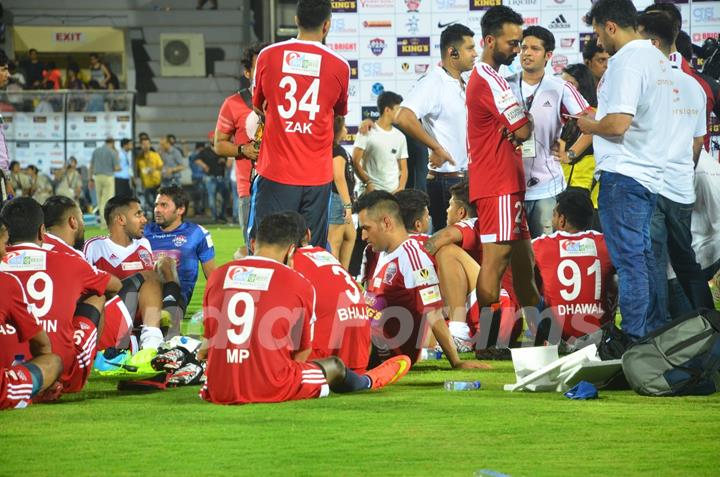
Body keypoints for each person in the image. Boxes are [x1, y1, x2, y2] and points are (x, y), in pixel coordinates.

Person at [198, 211, 411, 405]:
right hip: (270, 385)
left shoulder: (218, 275)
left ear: (252, 244)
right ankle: (366, 382)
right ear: (292, 250)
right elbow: (302, 352)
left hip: (218, 387)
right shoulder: (297, 282)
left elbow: (206, 349)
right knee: (334, 366)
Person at [577, 0, 673, 339]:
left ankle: (635, 340)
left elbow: (617, 125)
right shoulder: (657, 58)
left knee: (631, 264)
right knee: (645, 261)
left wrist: (589, 124)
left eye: (599, 33)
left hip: (625, 175)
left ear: (611, 26)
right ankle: (651, 337)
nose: (599, 42)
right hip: (647, 174)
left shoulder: (626, 61)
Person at [250, 0, 350, 248]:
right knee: (310, 250)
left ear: (296, 20)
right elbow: (338, 112)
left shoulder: (268, 55)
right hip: (316, 176)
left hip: (276, 171)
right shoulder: (340, 65)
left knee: (268, 247)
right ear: (326, 25)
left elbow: (257, 105)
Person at [637, 12, 714, 325]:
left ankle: (659, 328)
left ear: (653, 43)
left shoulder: (644, 84)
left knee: (654, 262)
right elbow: (698, 142)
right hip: (681, 188)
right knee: (686, 260)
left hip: (653, 186)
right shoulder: (693, 85)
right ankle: (709, 324)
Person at [0, 198, 122, 395]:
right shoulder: (69, 261)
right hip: (62, 371)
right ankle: (82, 371)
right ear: (42, 232)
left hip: (7, 371)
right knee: (96, 295)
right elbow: (115, 286)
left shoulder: (3, 266)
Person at [357, 190, 489, 370]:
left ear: (387, 223)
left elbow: (433, 311)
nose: (363, 236)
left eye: (366, 228)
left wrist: (456, 362)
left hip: (380, 348)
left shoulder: (412, 256)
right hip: (365, 336)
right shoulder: (379, 254)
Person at [466, 5, 540, 324]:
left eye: (520, 42)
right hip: (498, 186)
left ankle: (547, 338)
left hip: (507, 185)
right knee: (495, 265)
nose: (517, 49)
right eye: (512, 43)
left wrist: (524, 123)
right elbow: (522, 129)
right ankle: (489, 340)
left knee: (525, 269)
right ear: (489, 41)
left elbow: (519, 128)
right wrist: (528, 122)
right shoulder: (488, 79)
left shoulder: (494, 78)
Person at [506, 26, 592, 237]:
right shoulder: (505, 85)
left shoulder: (560, 87)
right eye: (524, 47)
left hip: (547, 188)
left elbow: (591, 123)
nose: (526, 53)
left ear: (548, 55)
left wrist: (570, 154)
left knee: (544, 255)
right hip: (509, 188)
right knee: (512, 258)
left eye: (534, 48)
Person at [532, 188, 616, 343]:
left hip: (558, 338)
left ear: (562, 220)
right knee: (615, 278)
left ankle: (542, 337)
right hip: (597, 337)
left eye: (554, 215)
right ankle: (607, 332)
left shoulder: (540, 245)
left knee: (529, 280)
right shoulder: (607, 243)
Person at [290, 212, 371, 373]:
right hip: (359, 357)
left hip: (323, 361)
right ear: (308, 234)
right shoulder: (325, 255)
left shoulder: (293, 263)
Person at [83, 196, 165, 351]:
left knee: (163, 267)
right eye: (138, 215)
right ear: (120, 219)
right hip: (110, 319)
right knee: (149, 276)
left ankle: (152, 339)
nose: (144, 220)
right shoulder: (95, 246)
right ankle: (151, 343)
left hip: (142, 321)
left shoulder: (144, 244)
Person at [0, 217, 63, 410]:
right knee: (53, 362)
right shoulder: (6, 283)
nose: (5, 252)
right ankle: (33, 392)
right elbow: (41, 343)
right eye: (4, 243)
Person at [213, 42, 266, 246]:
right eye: (258, 67)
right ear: (247, 72)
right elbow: (219, 145)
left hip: (282, 186)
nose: (263, 71)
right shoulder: (233, 103)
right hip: (249, 191)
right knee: (253, 248)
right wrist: (242, 150)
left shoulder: (284, 101)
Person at [144, 185, 216, 310]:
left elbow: (212, 276)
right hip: (143, 295)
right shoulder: (144, 231)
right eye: (156, 205)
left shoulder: (196, 233)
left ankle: (169, 310)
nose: (157, 210)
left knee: (165, 262)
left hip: (176, 301)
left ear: (180, 209)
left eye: (164, 205)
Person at [556, 63, 600, 214]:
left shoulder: (593, 114)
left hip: (582, 185)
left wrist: (569, 155)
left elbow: (589, 135)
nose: (565, 89)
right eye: (563, 84)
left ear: (582, 86)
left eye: (570, 84)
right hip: (560, 183)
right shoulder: (563, 114)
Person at [352, 91, 408, 195]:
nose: (400, 114)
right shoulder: (366, 131)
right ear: (387, 110)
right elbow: (355, 162)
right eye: (397, 109)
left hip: (393, 195)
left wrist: (400, 188)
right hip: (371, 194)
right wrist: (368, 183)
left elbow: (403, 169)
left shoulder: (401, 137)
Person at [327, 116, 355, 269]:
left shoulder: (338, 150)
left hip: (339, 199)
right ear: (336, 131)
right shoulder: (336, 151)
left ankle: (343, 275)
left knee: (350, 236)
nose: (347, 130)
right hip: (337, 199)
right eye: (344, 127)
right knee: (334, 241)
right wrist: (347, 204)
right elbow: (338, 177)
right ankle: (333, 278)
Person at [194, 142, 229, 223]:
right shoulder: (206, 151)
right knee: (212, 198)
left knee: (225, 198)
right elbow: (196, 159)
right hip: (210, 177)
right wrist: (204, 166)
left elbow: (228, 162)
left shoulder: (222, 149)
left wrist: (224, 161)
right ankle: (214, 217)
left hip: (221, 177)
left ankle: (222, 215)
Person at [90, 137, 121, 227]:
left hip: (97, 177)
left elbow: (91, 166)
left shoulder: (96, 151)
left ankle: (102, 223)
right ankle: (105, 223)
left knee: (100, 202)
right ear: (113, 143)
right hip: (108, 177)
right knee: (107, 201)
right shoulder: (113, 152)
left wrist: (90, 179)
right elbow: (116, 167)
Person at [135, 136, 163, 214]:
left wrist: (153, 170)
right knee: (149, 202)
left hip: (156, 183)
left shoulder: (155, 155)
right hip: (146, 184)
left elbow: (160, 166)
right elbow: (137, 171)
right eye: (143, 144)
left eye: (147, 144)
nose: (146, 146)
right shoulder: (139, 157)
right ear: (141, 145)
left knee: (156, 202)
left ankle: (156, 220)